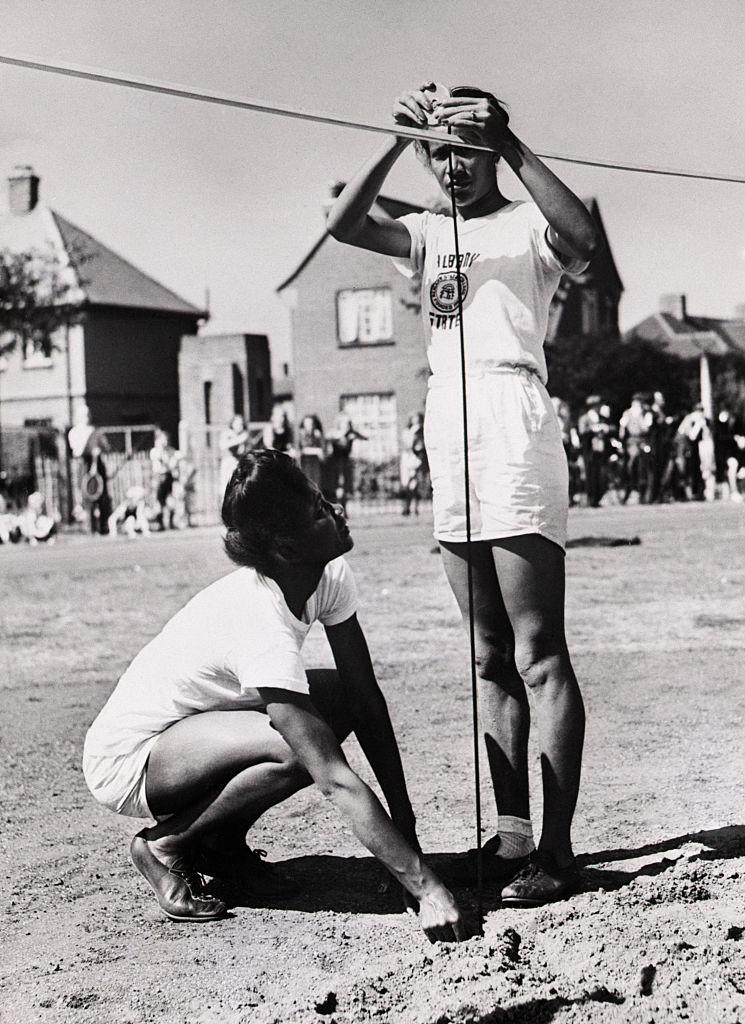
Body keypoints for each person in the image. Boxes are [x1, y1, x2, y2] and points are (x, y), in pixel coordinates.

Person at [327, 82, 600, 905]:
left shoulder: (525, 223)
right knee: (485, 656)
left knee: (535, 651)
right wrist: (395, 136)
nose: (451, 166)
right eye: (437, 152)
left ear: (490, 152)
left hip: (513, 418)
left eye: (465, 150)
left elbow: (581, 238)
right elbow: (342, 222)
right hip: (449, 425)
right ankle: (510, 833)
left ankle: (554, 851)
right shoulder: (423, 232)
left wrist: (511, 143)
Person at [82, 450, 466, 941]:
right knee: (297, 746)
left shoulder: (327, 575)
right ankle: (165, 845)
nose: (336, 511)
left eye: (323, 500)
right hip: (131, 760)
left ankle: (221, 844)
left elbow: (366, 699)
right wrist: (425, 885)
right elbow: (331, 776)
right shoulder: (261, 622)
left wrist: (406, 826)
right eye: (317, 513)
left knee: (342, 697)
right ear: (285, 544)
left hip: (197, 734)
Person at [325, 412, 367, 510]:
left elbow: (365, 437)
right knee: (337, 486)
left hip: (346, 462)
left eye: (348, 423)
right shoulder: (334, 433)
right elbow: (328, 437)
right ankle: (336, 507)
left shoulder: (350, 434)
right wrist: (343, 434)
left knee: (346, 487)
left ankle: (344, 508)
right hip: (335, 462)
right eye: (345, 422)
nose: (347, 425)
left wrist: (355, 434)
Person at [399, 412, 427, 516]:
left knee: (414, 485)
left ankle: (414, 508)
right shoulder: (407, 432)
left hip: (416, 459)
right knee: (406, 484)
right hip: (407, 459)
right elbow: (406, 445)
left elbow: (421, 445)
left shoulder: (421, 431)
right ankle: (406, 506)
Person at [219, 415, 250, 497]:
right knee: (225, 487)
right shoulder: (227, 433)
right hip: (227, 463)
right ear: (232, 424)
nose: (239, 426)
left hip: (238, 462)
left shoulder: (244, 435)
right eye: (237, 423)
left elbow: (243, 450)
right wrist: (236, 439)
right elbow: (223, 445)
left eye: (241, 424)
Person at [297, 414, 326, 489]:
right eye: (306, 424)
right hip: (305, 462)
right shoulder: (302, 434)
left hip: (315, 463)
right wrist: (317, 451)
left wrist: (319, 437)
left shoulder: (316, 435)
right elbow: (303, 449)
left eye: (311, 424)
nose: (309, 426)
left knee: (316, 481)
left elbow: (323, 449)